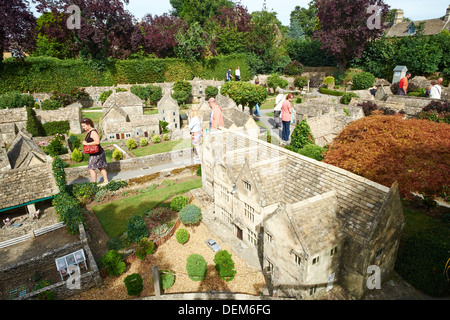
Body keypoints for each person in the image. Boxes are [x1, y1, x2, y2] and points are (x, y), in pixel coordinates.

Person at [81, 118, 108, 184]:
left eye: (84, 126)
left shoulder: (93, 132)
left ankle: (94, 183)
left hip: (97, 153)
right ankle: (105, 180)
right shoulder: (90, 132)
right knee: (101, 167)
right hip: (97, 152)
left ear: (89, 125)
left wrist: (87, 143)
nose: (83, 128)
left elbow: (97, 142)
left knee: (91, 168)